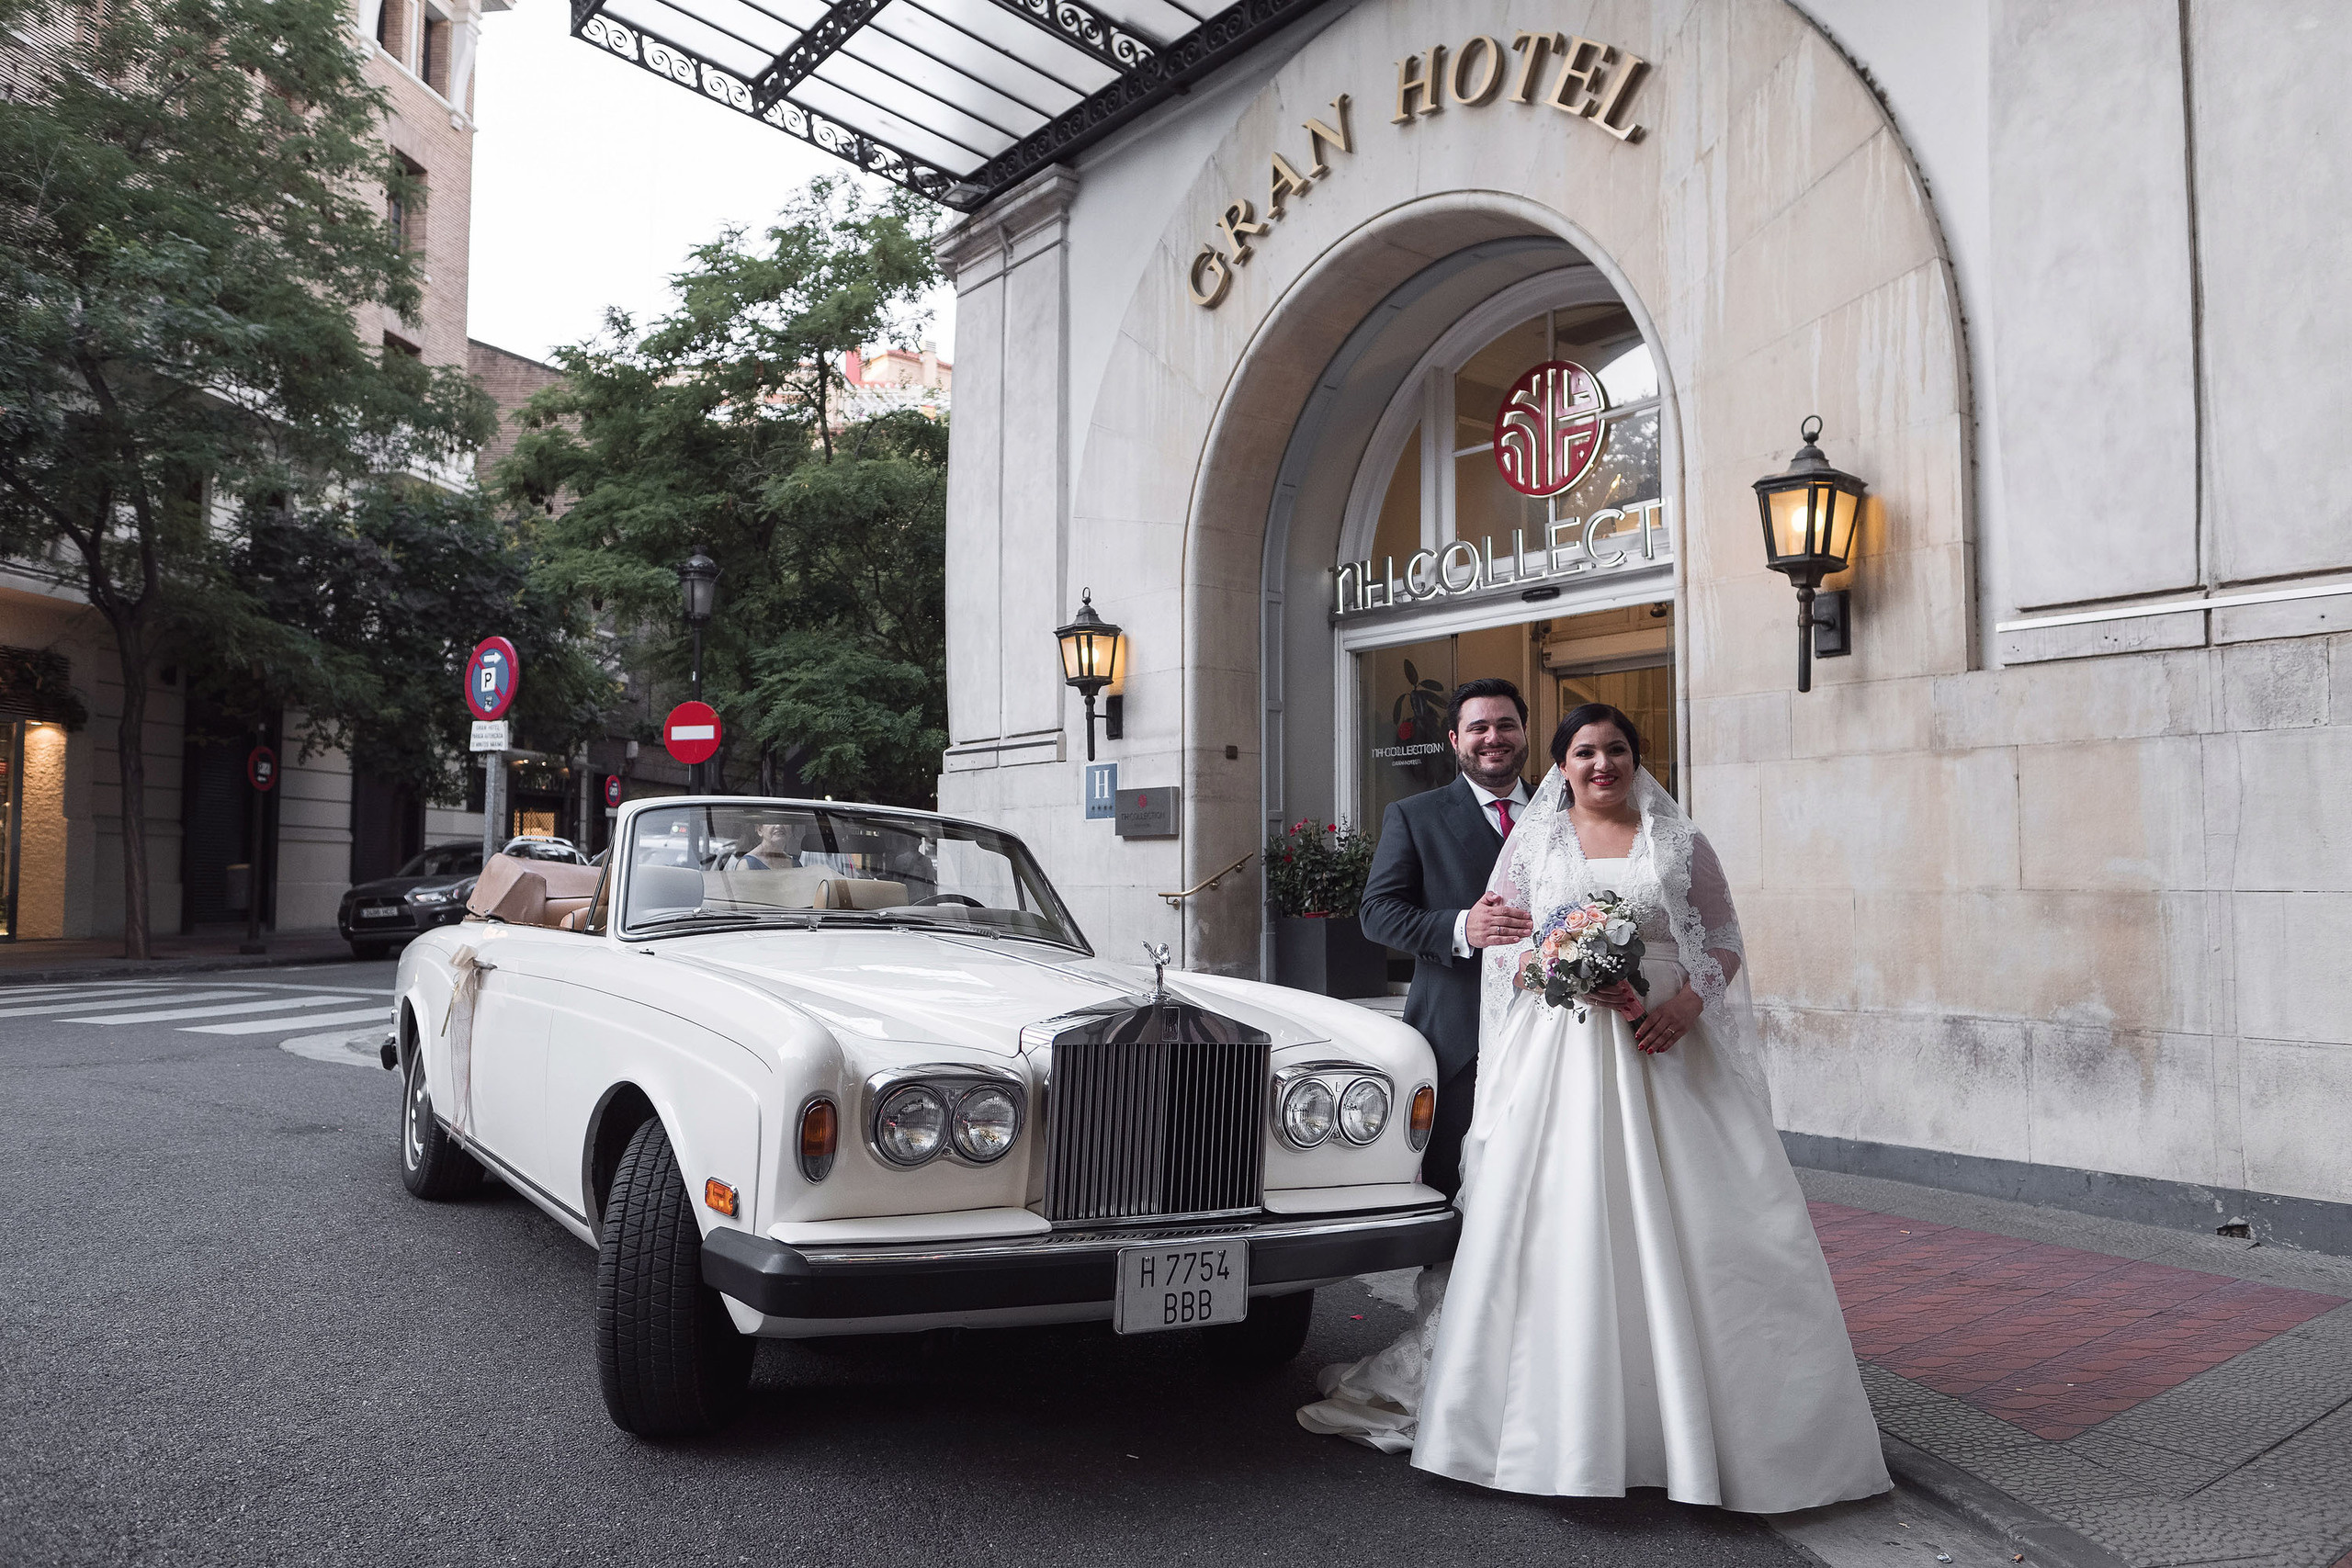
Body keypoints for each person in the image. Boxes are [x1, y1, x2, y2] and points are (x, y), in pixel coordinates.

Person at [1300, 704, 1890, 1514]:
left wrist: (1685, 1004)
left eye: (1616, 749)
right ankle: (1561, 1430)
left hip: (1667, 1048)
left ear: (1636, 759)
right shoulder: (1538, 841)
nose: (1602, 763)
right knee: (1565, 1223)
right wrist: (1566, 965)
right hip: (1565, 1055)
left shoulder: (1676, 840)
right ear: (1562, 764)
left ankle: (1713, 1427)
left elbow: (1722, 935)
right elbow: (1509, 938)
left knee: (1710, 1225)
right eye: (1585, 751)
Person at [1355, 677, 1534, 1199]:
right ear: (1456, 741)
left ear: (1524, 733)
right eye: (1477, 727)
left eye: (1506, 725)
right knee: (1453, 1186)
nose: (1493, 737)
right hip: (1459, 1034)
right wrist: (1461, 928)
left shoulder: (1568, 811)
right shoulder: (1415, 816)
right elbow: (1377, 913)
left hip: (1557, 1027)